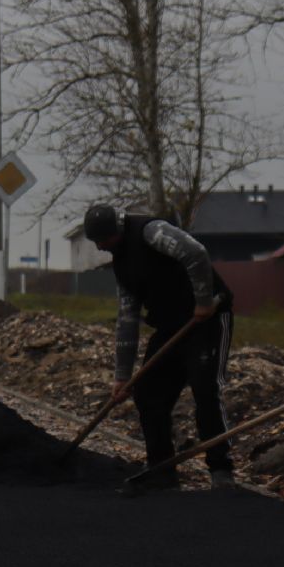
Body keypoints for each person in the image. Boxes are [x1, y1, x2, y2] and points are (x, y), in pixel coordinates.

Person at [82, 203, 235, 490]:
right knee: (148, 391)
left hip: (208, 320)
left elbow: (196, 254)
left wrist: (202, 300)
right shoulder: (120, 263)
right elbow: (128, 318)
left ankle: (221, 470)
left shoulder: (151, 231)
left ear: (116, 229)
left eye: (104, 240)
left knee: (205, 389)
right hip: (170, 326)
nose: (101, 247)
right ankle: (162, 468)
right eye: (96, 242)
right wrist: (122, 376)